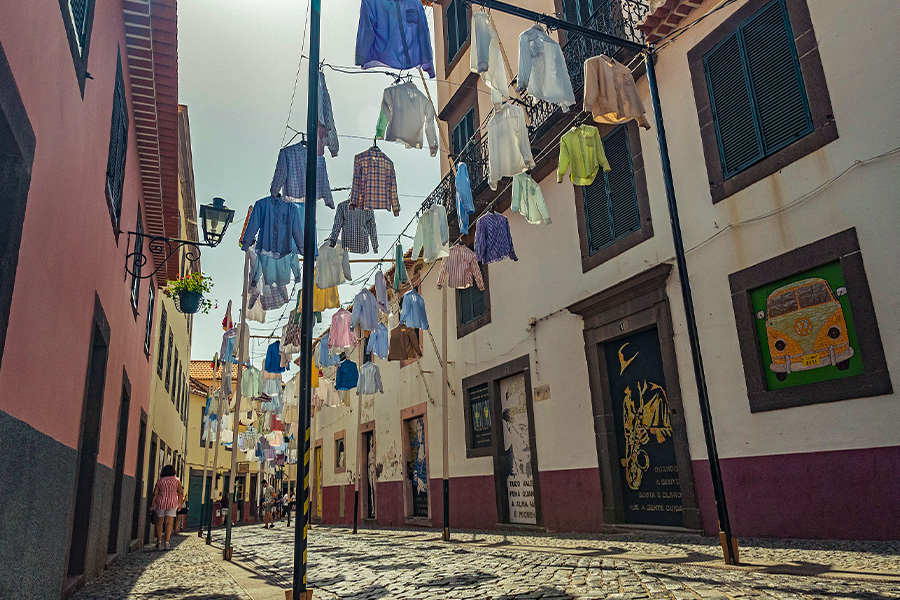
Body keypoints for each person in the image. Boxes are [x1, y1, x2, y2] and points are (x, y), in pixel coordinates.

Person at [150, 464, 184, 550]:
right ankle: (167, 542)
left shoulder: (160, 481)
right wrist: (180, 503)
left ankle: (159, 542)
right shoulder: (177, 481)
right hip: (172, 502)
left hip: (161, 502)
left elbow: (155, 494)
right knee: (169, 523)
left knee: (159, 522)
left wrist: (152, 504)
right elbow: (180, 493)